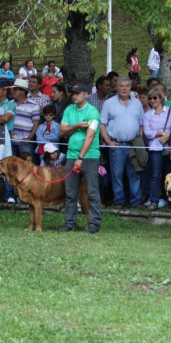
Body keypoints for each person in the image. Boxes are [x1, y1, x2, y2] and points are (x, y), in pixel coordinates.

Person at [59, 83, 102, 234]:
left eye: (77, 93)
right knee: (70, 193)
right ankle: (70, 223)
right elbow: (62, 131)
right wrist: (76, 126)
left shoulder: (93, 112)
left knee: (92, 192)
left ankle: (94, 224)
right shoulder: (69, 110)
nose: (74, 96)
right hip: (71, 155)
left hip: (89, 157)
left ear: (85, 94)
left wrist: (81, 157)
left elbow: (90, 136)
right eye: (72, 93)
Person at [101, 77, 145, 210]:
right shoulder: (108, 103)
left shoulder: (137, 103)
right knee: (117, 174)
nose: (124, 88)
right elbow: (102, 124)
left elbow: (141, 123)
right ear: (117, 88)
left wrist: (139, 141)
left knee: (135, 174)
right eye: (121, 86)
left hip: (133, 145)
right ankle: (119, 200)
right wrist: (108, 141)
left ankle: (135, 201)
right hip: (117, 145)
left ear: (130, 87)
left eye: (127, 86)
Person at [141, 87, 171, 210]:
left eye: (155, 98)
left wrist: (168, 135)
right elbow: (148, 132)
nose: (152, 100)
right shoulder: (147, 115)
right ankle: (154, 200)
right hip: (155, 148)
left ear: (161, 98)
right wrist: (161, 133)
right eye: (150, 98)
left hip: (170, 147)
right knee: (156, 175)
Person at [10, 79, 40, 161]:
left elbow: (36, 123)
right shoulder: (10, 104)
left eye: (15, 90)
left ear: (22, 91)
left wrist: (30, 138)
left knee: (27, 167)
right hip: (11, 140)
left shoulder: (34, 105)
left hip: (25, 141)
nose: (13, 92)